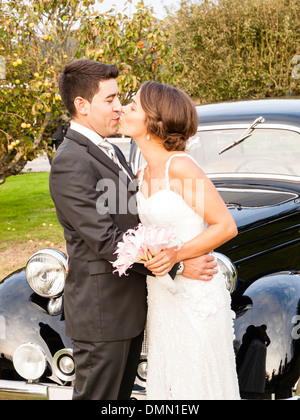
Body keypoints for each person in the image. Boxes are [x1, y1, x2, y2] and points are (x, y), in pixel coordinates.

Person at [49, 59, 218, 400]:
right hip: (103, 314)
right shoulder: (70, 161)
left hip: (131, 308)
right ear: (82, 105)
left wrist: (179, 249)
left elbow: (137, 219)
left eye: (120, 99)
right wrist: (179, 264)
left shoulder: (110, 148)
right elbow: (108, 241)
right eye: (109, 100)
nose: (117, 107)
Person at [119, 81, 240, 400]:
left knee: (196, 381)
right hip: (162, 296)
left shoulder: (181, 166)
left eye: (133, 105)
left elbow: (225, 226)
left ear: (153, 120)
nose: (124, 108)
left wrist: (178, 256)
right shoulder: (142, 172)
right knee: (169, 381)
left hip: (194, 296)